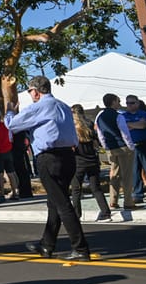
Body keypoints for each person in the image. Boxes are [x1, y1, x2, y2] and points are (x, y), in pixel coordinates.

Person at [6, 76, 91, 261]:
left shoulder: (39, 106)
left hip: (49, 158)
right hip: (69, 156)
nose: (30, 95)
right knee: (54, 203)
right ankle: (47, 245)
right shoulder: (63, 106)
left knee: (62, 204)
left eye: (30, 91)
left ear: (35, 91)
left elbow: (12, 126)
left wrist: (9, 112)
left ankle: (81, 248)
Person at [70, 104, 112, 222]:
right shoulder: (89, 124)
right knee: (96, 188)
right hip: (92, 159)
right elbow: (96, 142)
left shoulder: (72, 128)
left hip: (78, 161)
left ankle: (76, 214)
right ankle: (105, 212)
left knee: (76, 189)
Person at [94, 93, 137, 210]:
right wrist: (131, 146)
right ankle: (128, 201)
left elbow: (100, 134)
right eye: (118, 101)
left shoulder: (100, 116)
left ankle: (113, 200)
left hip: (111, 148)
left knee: (114, 174)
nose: (119, 103)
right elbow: (124, 133)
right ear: (113, 102)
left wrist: (106, 146)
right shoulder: (119, 116)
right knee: (127, 176)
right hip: (123, 147)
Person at [11, 129, 34, 198]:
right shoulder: (21, 129)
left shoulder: (16, 128)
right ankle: (25, 191)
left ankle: (24, 191)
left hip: (17, 148)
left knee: (21, 170)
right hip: (20, 147)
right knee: (22, 170)